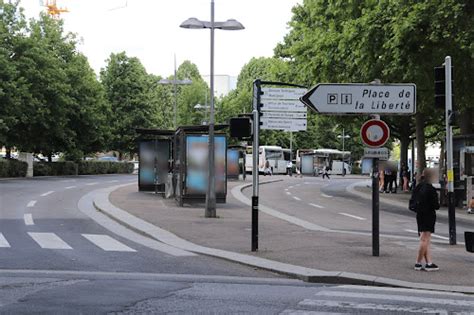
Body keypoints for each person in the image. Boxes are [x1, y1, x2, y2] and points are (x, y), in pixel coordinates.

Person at [412, 168, 440, 271]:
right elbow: (436, 205)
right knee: (425, 239)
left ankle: (429, 263)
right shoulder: (430, 189)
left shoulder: (419, 186)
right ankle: (418, 262)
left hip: (420, 214)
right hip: (429, 215)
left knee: (426, 239)